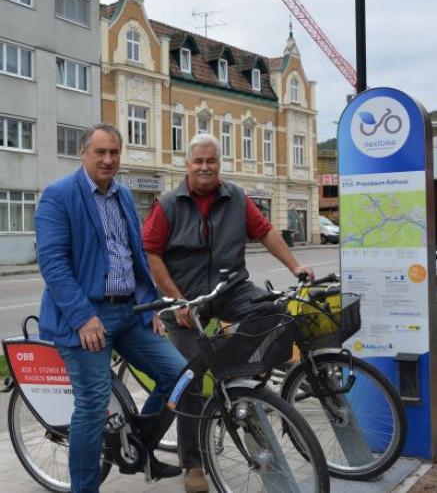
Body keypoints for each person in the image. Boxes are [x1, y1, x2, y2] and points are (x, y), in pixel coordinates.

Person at [142, 132, 314, 493]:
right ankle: (193, 464)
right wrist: (177, 299)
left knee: (273, 314)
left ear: (220, 164)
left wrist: (296, 266)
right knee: (190, 381)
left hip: (230, 289)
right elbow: (151, 253)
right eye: (198, 161)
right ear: (187, 165)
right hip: (186, 302)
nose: (205, 167)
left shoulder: (236, 197)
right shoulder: (169, 204)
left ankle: (243, 386)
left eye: (211, 161)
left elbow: (266, 232)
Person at [35, 123, 187, 493]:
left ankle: (139, 448)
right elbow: (53, 262)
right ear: (84, 153)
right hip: (85, 317)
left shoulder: (121, 195)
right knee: (91, 405)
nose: (107, 159)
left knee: (178, 375)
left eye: (114, 152)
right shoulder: (59, 195)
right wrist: (83, 317)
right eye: (100, 152)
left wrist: (149, 308)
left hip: (129, 313)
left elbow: (134, 257)